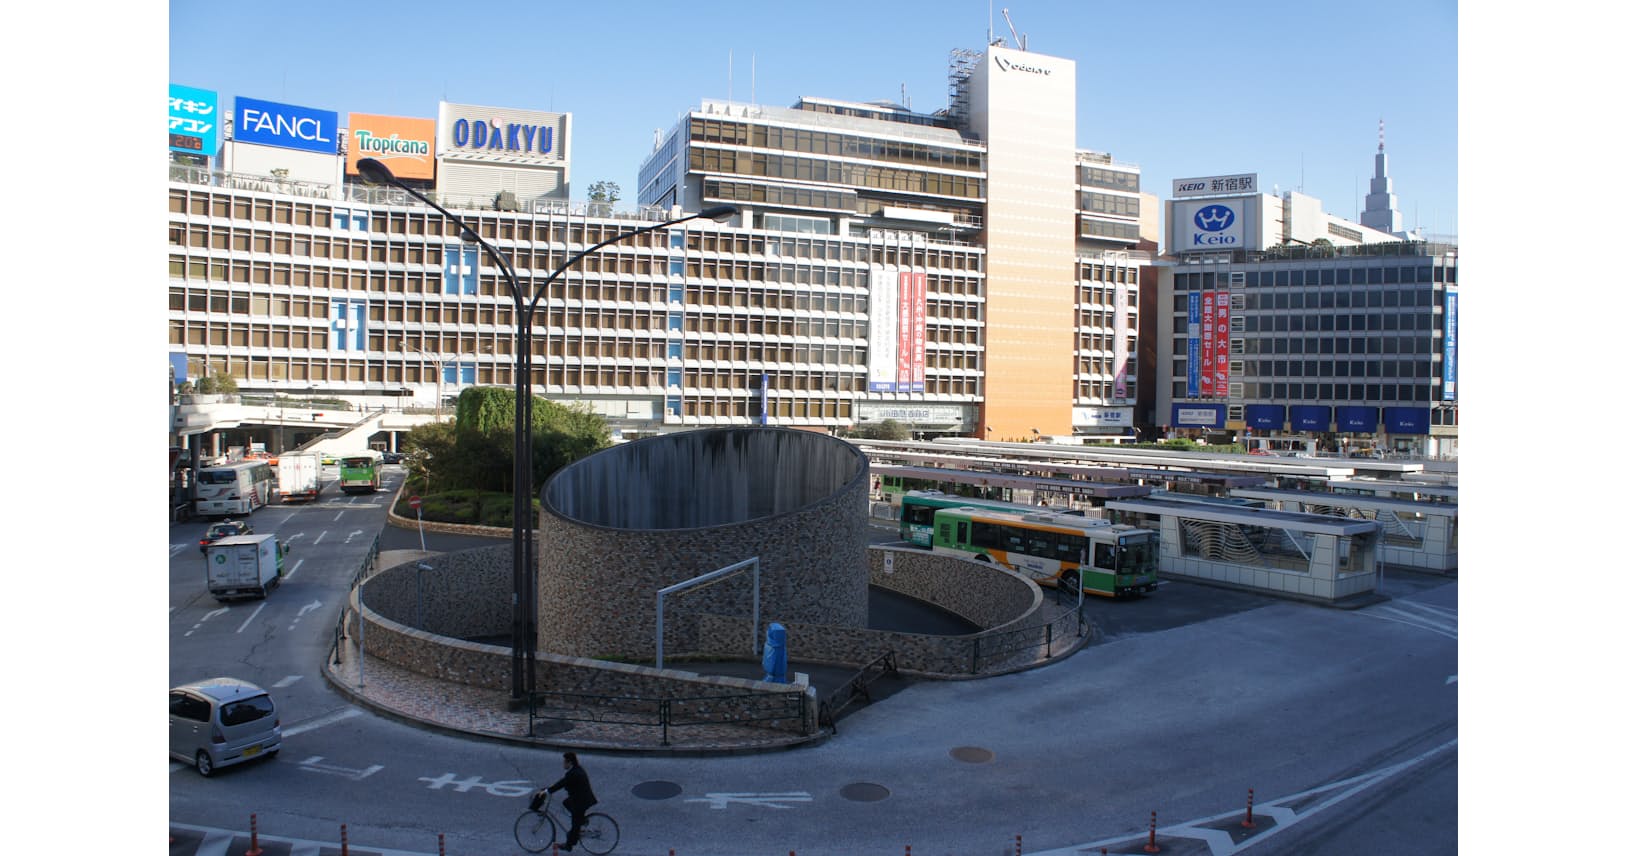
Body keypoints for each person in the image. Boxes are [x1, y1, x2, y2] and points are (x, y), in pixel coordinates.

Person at [537, 751, 597, 852]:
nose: (563, 764)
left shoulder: (573, 774)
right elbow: (563, 781)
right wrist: (549, 789)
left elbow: (562, 783)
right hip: (581, 798)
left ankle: (568, 845)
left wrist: (548, 791)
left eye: (565, 762)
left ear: (570, 762)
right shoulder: (576, 769)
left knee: (575, 824)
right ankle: (582, 820)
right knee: (566, 803)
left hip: (581, 801)